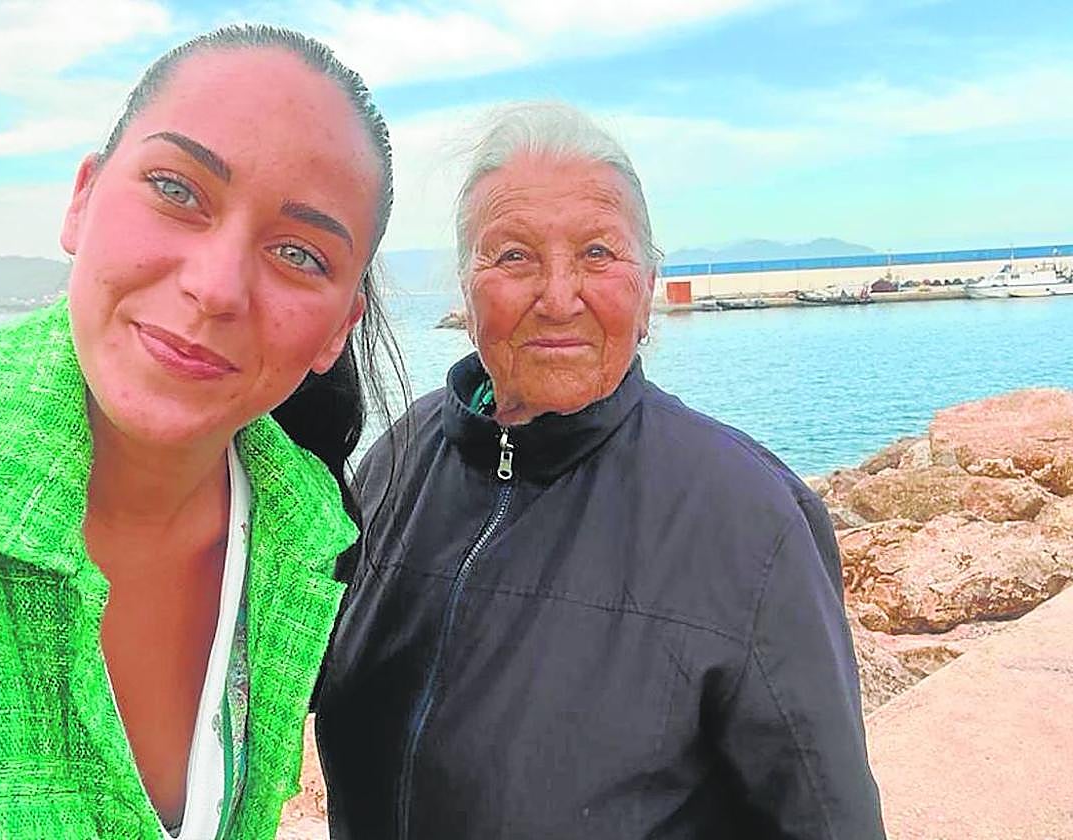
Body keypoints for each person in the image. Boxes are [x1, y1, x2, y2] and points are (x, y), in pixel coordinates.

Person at [0, 24, 403, 839]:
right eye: (179, 190)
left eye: (298, 252)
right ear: (81, 200)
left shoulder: (297, 532)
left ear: (339, 328)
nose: (217, 287)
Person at [316, 102, 886, 839]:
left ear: (647, 286)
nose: (558, 298)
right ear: (468, 289)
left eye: (597, 254)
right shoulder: (401, 459)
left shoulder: (750, 518)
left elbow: (825, 819)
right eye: (514, 255)